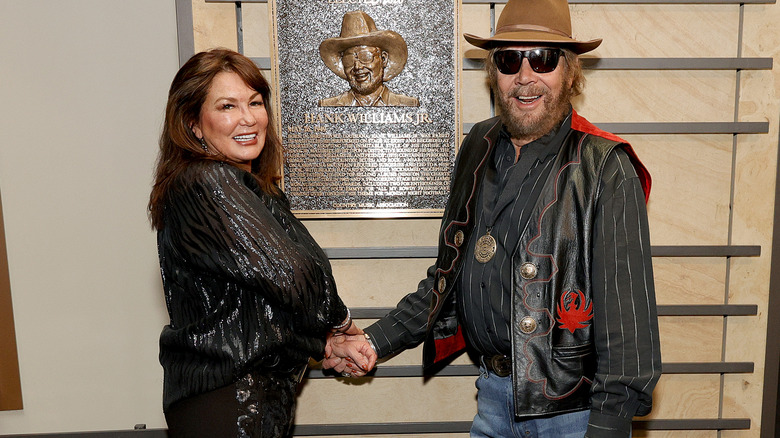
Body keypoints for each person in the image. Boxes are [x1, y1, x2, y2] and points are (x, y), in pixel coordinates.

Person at [324, 0, 662, 436]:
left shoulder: (604, 166)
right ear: (493, 72)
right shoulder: (477, 145)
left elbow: (628, 320)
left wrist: (610, 425)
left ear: (570, 71)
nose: (524, 76)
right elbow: (445, 279)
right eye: (508, 59)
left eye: (542, 58)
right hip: (493, 399)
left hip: (574, 417)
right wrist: (372, 341)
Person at [148, 48, 376, 438]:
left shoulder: (258, 193)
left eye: (255, 102)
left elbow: (263, 307)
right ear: (193, 124)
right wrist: (341, 326)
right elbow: (292, 274)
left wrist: (324, 345)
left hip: (256, 400)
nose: (248, 118)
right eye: (227, 106)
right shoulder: (205, 182)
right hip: (227, 402)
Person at [319, 10, 419, 107]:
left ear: (383, 59)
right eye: (349, 59)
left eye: (365, 57)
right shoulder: (328, 105)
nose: (357, 66)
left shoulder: (408, 104)